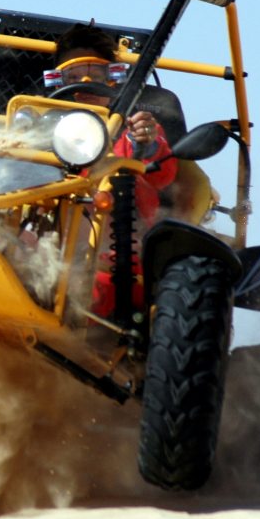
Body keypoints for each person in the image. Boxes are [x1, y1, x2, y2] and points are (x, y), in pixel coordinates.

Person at [48, 23, 179, 317]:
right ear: (58, 83)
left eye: (96, 75)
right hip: (43, 254)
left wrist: (142, 143)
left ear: (114, 80)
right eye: (73, 76)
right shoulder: (36, 127)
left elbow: (162, 173)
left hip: (117, 263)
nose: (84, 83)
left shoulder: (133, 132)